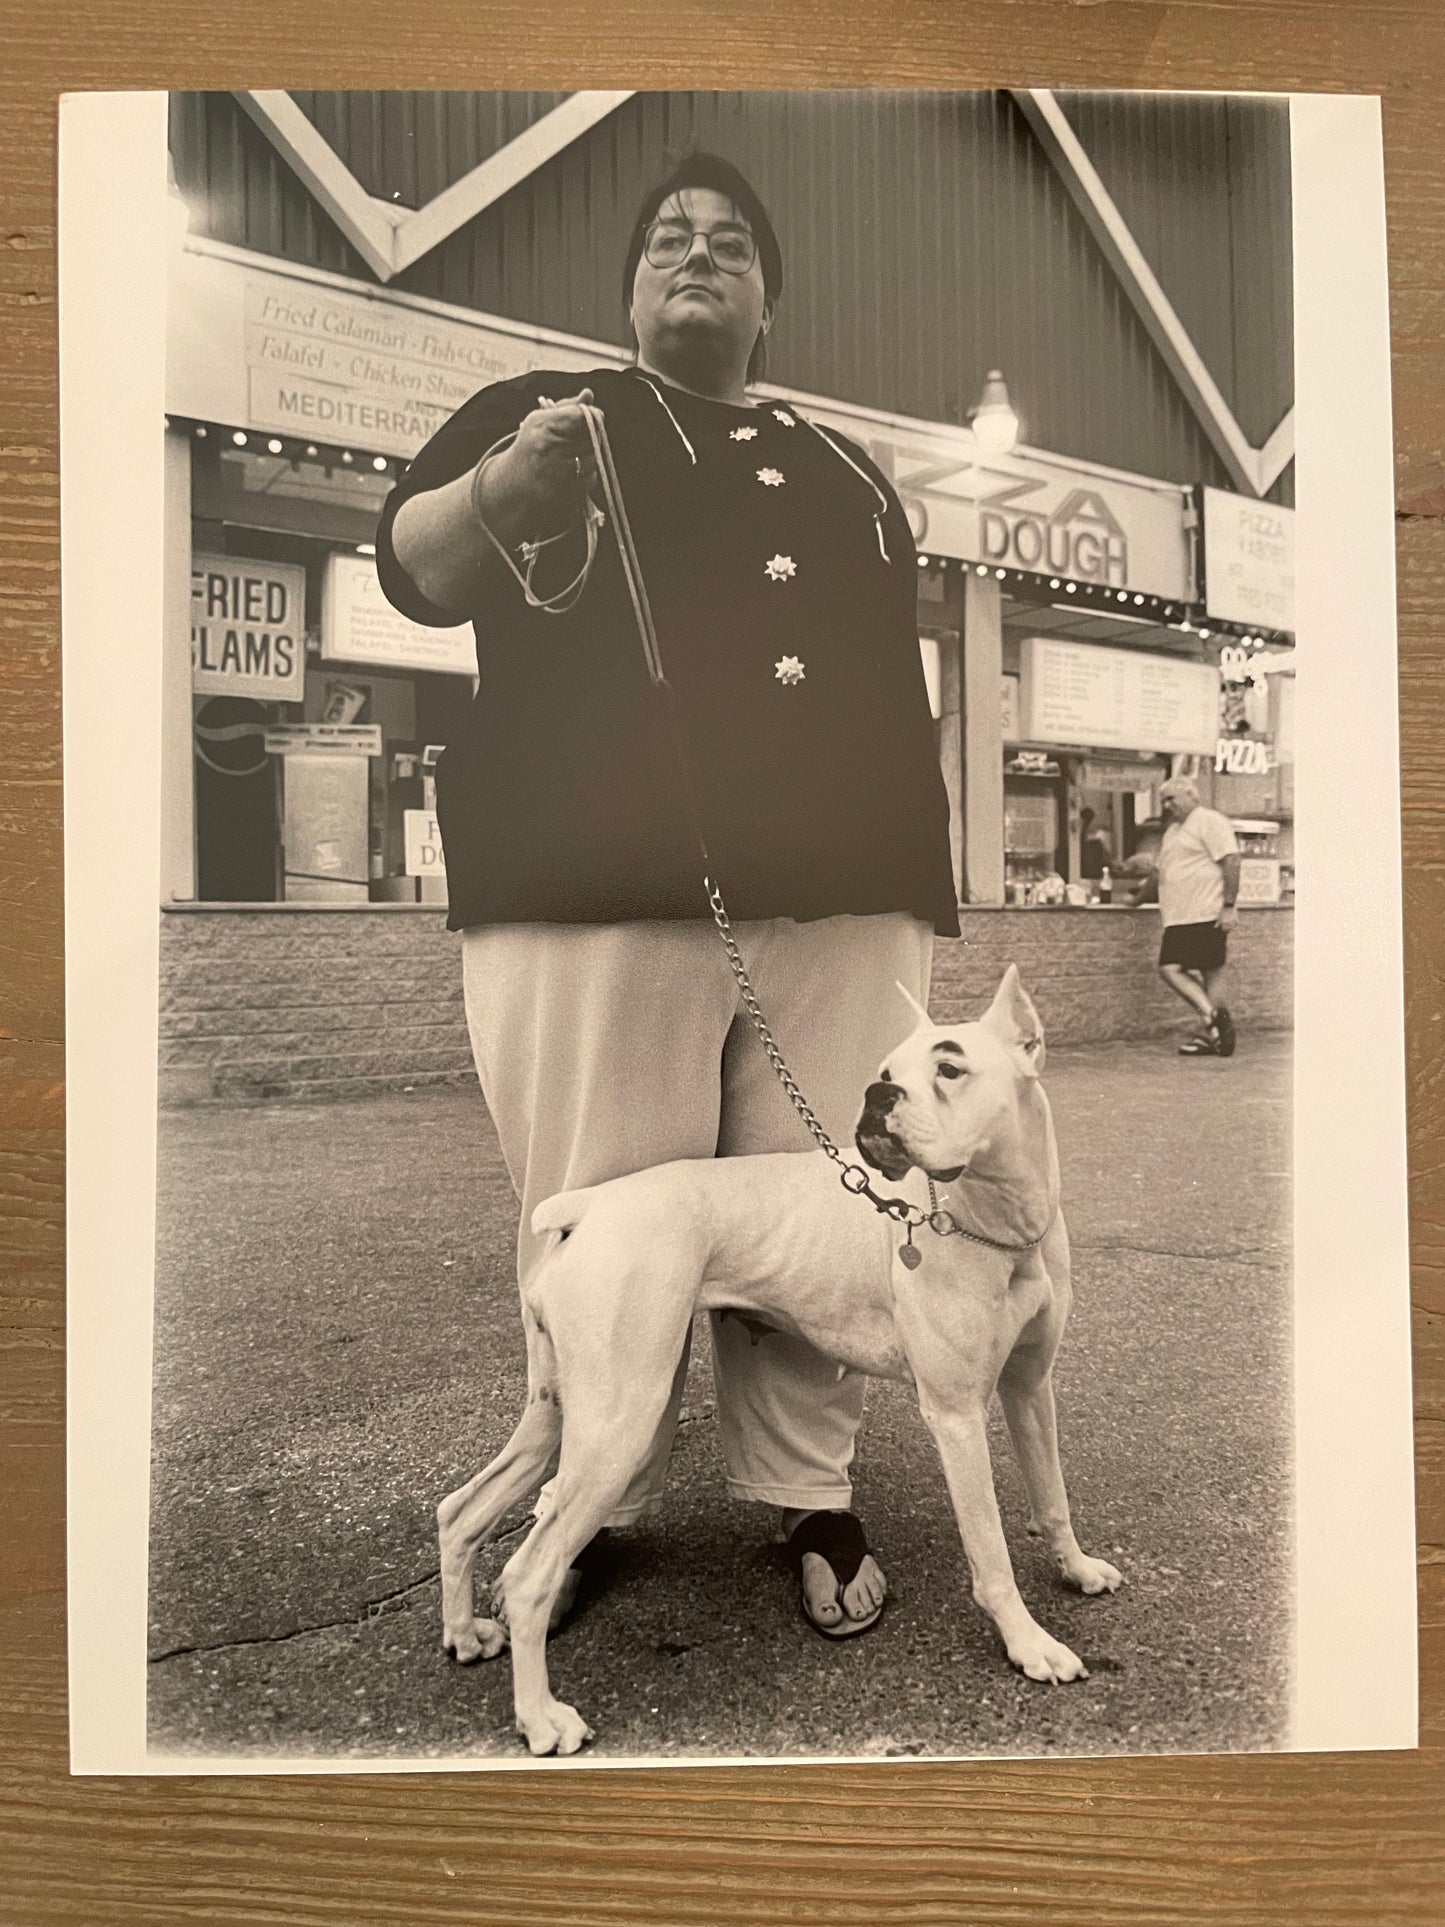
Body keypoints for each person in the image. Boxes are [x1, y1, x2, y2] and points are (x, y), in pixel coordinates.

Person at [377, 153, 958, 1640]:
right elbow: (413, 566)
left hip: (840, 897)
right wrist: (498, 491)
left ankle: (810, 1482)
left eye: (725, 243)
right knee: (602, 1210)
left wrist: (918, 879)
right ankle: (585, 1497)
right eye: (664, 241)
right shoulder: (551, 415)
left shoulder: (843, 465)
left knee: (830, 1206)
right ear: (632, 287)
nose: (692, 256)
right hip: (595, 887)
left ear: (768, 297)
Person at [1154, 777, 1240, 1057]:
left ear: (1192, 795)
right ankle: (1215, 1036)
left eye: (1172, 798)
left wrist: (1228, 905)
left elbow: (1231, 861)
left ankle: (1212, 1021)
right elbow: (1161, 872)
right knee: (1211, 973)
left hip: (1202, 911)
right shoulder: (1173, 831)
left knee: (1170, 968)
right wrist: (1136, 898)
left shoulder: (1209, 821)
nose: (1168, 805)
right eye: (1164, 801)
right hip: (1179, 914)